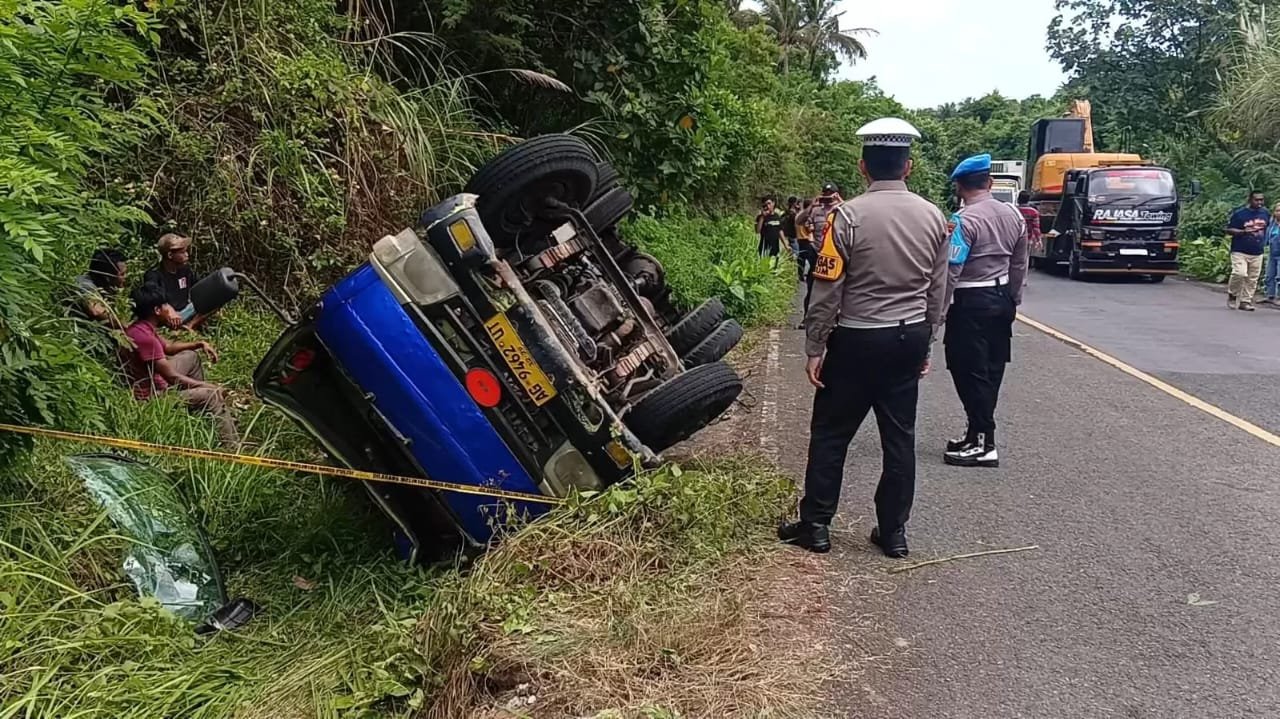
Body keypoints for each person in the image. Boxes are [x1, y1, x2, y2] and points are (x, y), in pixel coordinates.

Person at [777, 118, 949, 558]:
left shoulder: (845, 216)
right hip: (907, 337)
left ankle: (815, 526)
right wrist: (926, 340)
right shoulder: (934, 216)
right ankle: (893, 533)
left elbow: (827, 288)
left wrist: (815, 346)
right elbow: (938, 288)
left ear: (862, 167)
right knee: (899, 437)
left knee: (832, 434)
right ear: (907, 167)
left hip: (855, 340)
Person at [940, 154, 1030, 469]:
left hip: (970, 302)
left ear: (959, 187)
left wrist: (938, 312)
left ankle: (984, 442)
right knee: (991, 371)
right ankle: (975, 433)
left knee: (968, 372)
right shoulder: (1014, 216)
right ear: (989, 183)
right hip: (1001, 297)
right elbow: (1020, 262)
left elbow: (952, 271)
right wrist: (1014, 297)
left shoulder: (964, 221)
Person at [120, 283, 239, 446]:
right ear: (157, 310)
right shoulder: (145, 338)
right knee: (209, 394)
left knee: (191, 357)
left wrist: (198, 344)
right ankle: (232, 447)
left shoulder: (141, 328)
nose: (170, 308)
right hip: (152, 399)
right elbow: (172, 378)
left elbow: (167, 347)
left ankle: (203, 410)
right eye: (166, 305)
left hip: (157, 382)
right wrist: (209, 386)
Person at [794, 184, 843, 325]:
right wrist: (811, 206)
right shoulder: (816, 211)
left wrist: (840, 201)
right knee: (812, 287)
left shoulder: (841, 209)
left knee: (837, 288)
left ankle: (835, 318)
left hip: (836, 254)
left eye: (830, 195)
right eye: (824, 194)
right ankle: (807, 318)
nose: (827, 198)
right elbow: (798, 221)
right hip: (817, 253)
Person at [143, 233, 208, 329]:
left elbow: (200, 286)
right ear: (170, 255)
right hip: (168, 316)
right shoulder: (154, 274)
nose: (187, 255)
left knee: (213, 297)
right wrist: (168, 309)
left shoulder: (185, 271)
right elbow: (152, 294)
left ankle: (190, 325)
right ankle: (185, 326)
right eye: (183, 252)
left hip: (185, 311)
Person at [1226, 191, 1270, 311]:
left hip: (1257, 251)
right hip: (1240, 250)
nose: (1259, 202)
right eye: (1257, 200)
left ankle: (1245, 301)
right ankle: (1233, 294)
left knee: (1252, 278)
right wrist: (1243, 232)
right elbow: (1228, 230)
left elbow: (1268, 228)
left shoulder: (1265, 213)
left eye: (1261, 200)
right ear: (1250, 200)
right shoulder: (1240, 214)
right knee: (1240, 273)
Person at [69, 247, 128, 329]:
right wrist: (125, 326)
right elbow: (95, 310)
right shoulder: (84, 284)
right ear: (107, 277)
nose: (126, 277)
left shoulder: (106, 287)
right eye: (122, 274)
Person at [1016, 190, 1042, 286]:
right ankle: (1023, 280)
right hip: (1027, 238)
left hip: (1013, 238)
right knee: (1025, 259)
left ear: (1018, 199)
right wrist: (1038, 240)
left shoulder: (1014, 210)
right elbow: (1036, 227)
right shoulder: (1034, 212)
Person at [756, 198, 784, 263]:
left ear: (773, 203)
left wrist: (785, 245)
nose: (768, 206)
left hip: (775, 248)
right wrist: (762, 217)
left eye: (769, 203)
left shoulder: (777, 216)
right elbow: (757, 230)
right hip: (764, 248)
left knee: (774, 268)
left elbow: (780, 231)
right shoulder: (760, 217)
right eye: (765, 205)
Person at [1264, 202, 1280, 304]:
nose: (1279, 213)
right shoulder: (1272, 224)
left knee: (1279, 276)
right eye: (1277, 210)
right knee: (1269, 275)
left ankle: (1278, 297)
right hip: (1272, 252)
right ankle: (1270, 296)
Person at [782, 196, 801, 267]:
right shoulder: (793, 214)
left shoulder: (786, 213)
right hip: (793, 236)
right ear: (794, 203)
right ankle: (792, 266)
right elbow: (798, 222)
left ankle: (789, 265)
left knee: (789, 252)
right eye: (797, 202)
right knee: (796, 254)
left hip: (786, 235)